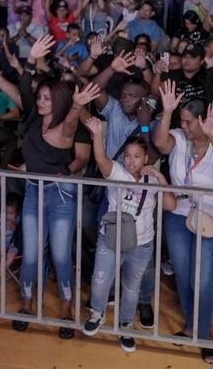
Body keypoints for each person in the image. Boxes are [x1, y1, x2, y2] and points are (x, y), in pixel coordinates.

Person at [0, 35, 103, 337]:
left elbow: (73, 125)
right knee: (30, 254)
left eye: (46, 99)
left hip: (61, 195)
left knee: (61, 256)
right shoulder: (31, 120)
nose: (40, 102)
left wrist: (77, 105)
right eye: (39, 98)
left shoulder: (67, 128)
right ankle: (26, 305)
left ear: (60, 102)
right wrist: (29, 61)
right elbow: (24, 87)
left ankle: (66, 309)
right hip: (33, 192)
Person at [154, 78, 213, 365]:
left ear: (204, 121)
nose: (185, 126)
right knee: (183, 274)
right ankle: (192, 326)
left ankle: (204, 336)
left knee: (202, 281)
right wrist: (167, 112)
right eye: (182, 121)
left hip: (211, 219)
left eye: (189, 122)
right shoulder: (178, 137)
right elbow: (160, 144)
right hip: (179, 215)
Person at [81, 116, 167, 353]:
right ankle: (98, 313)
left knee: (131, 288)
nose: (131, 160)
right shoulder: (117, 171)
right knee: (100, 281)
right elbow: (101, 159)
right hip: (111, 238)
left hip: (142, 243)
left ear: (146, 158)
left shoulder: (153, 179)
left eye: (137, 156)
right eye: (128, 156)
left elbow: (170, 204)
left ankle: (125, 325)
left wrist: (160, 177)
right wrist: (98, 134)